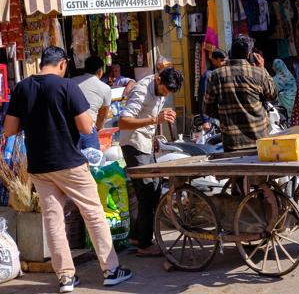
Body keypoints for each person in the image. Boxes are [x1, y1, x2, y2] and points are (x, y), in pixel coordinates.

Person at [3, 46, 132, 292]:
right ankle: (111, 270)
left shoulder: (23, 88)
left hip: (40, 166)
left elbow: (9, 129)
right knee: (93, 214)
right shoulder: (67, 87)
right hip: (70, 163)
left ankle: (65, 278)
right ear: (62, 63)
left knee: (53, 220)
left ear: (42, 63)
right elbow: (86, 128)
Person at [118, 67, 183, 256]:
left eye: (168, 93)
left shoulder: (161, 88)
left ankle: (137, 237)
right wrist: (155, 119)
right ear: (158, 78)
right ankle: (144, 244)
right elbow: (123, 121)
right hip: (133, 144)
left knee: (153, 189)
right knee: (147, 192)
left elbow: (154, 115)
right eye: (164, 90)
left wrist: (158, 127)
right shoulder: (140, 90)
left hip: (146, 143)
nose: (165, 94)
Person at [203, 35, 278, 152]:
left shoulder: (215, 75)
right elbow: (273, 96)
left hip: (231, 141)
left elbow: (208, 109)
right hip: (259, 139)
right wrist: (262, 68)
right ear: (248, 55)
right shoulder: (259, 73)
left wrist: (226, 115)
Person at [72, 56, 112, 150]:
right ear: (100, 71)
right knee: (93, 163)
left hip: (69, 129)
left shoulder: (71, 81)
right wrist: (98, 129)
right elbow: (102, 116)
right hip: (88, 129)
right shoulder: (105, 88)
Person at [198, 49, 227, 132]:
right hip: (212, 119)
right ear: (214, 60)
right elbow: (203, 98)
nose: (224, 63)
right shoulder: (208, 75)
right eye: (221, 61)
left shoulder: (223, 73)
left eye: (225, 61)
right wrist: (205, 120)